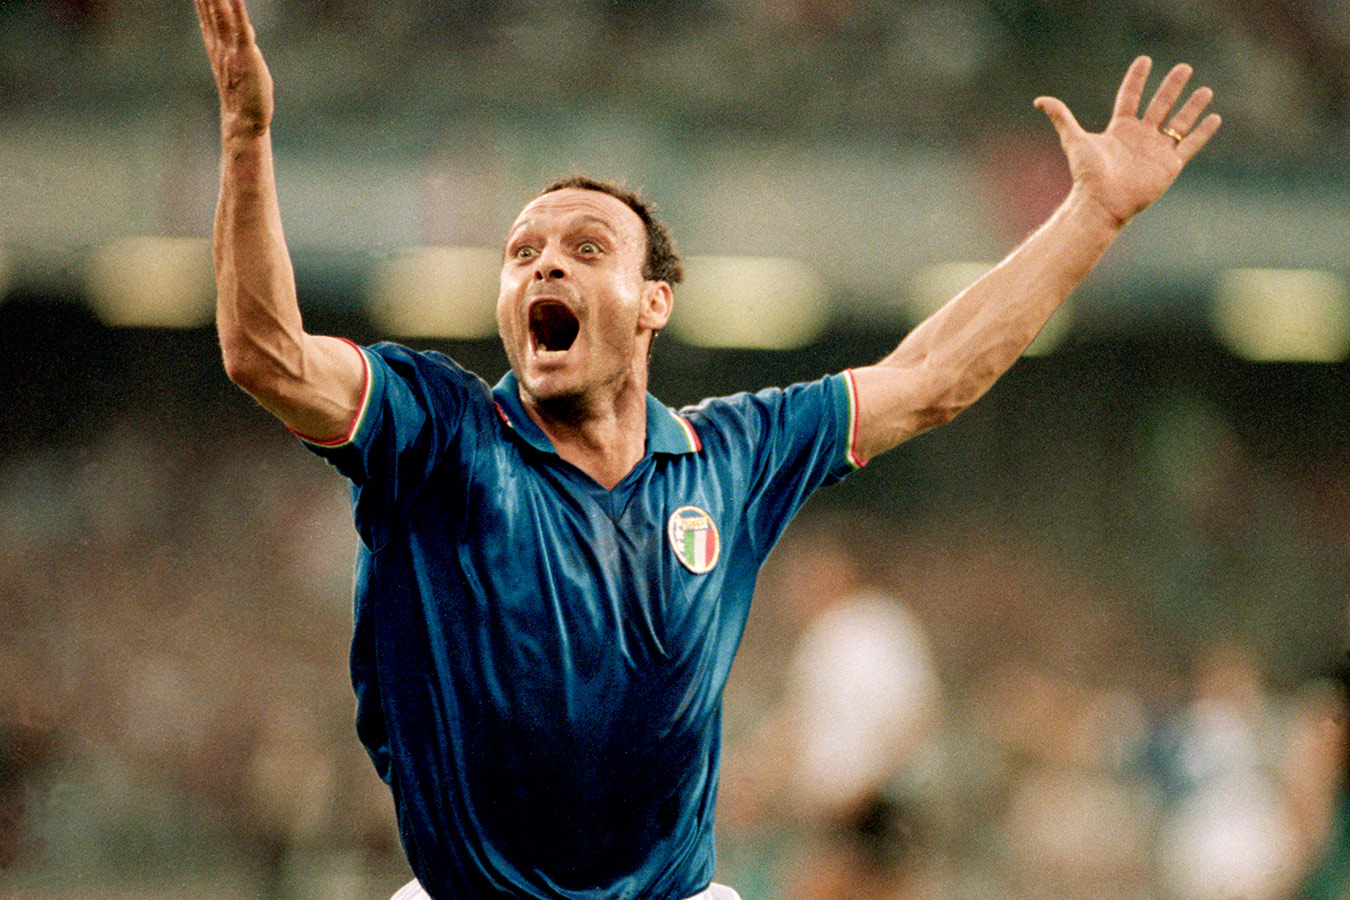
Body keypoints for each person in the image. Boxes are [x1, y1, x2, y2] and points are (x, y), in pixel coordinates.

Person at [194, 0, 1221, 896]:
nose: (545, 264)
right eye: (522, 252)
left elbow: (930, 377)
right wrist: (246, 137)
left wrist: (1091, 216)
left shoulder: (732, 456)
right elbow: (266, 355)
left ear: (654, 303)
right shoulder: (440, 433)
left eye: (586, 247)